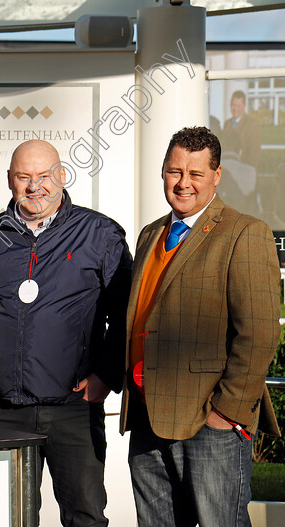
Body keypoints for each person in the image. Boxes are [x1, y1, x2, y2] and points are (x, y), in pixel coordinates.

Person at [0, 139, 132, 527]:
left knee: (84, 516)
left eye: (45, 175)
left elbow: (124, 315)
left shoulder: (99, 234)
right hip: (3, 409)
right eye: (24, 177)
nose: (36, 187)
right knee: (10, 516)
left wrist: (106, 374)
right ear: (9, 182)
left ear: (63, 176)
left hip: (74, 408)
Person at [121, 126, 281, 527]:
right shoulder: (150, 234)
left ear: (217, 175)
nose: (183, 183)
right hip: (147, 417)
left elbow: (260, 331)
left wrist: (226, 412)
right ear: (162, 171)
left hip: (209, 421)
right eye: (175, 171)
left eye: (195, 174)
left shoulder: (244, 233)